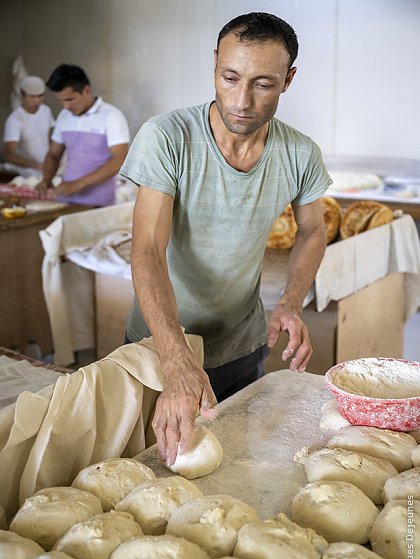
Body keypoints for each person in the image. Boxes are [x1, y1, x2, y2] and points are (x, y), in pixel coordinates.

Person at [120, 12, 332, 465]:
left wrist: (291, 301)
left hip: (242, 345)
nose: (241, 100)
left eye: (263, 84)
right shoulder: (167, 138)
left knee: (232, 468)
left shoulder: (300, 153)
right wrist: (175, 359)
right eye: (229, 77)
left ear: (288, 80)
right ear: (214, 63)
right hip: (157, 346)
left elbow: (314, 230)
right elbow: (147, 250)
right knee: (148, 470)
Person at [37, 64, 130, 206]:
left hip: (99, 204)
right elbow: (53, 154)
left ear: (86, 90)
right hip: (65, 200)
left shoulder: (111, 116)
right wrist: (46, 179)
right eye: (61, 100)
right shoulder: (64, 116)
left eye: (69, 99)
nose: (65, 106)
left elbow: (120, 160)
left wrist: (78, 184)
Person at [3, 75, 54, 177]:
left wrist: (54, 158)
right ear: (22, 95)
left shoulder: (45, 111)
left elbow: (49, 138)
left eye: (40, 96)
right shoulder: (15, 120)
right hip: (27, 170)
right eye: (32, 96)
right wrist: (36, 165)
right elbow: (9, 155)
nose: (37, 101)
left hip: (46, 165)